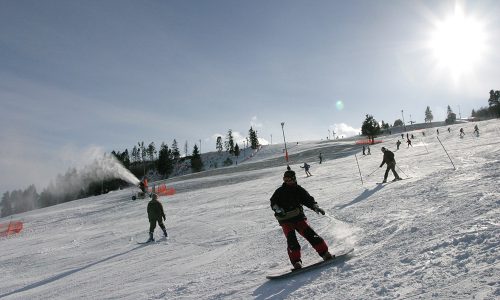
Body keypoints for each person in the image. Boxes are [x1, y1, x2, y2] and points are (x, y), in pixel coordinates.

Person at [270, 169, 333, 269]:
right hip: (285, 220)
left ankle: (325, 253)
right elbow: (273, 202)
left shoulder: (299, 190)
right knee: (292, 241)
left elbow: (307, 199)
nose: (287, 182)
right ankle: (296, 262)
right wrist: (277, 209)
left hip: (298, 218)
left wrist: (315, 206)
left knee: (311, 235)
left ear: (294, 179)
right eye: (285, 179)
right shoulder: (279, 191)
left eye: (289, 179)